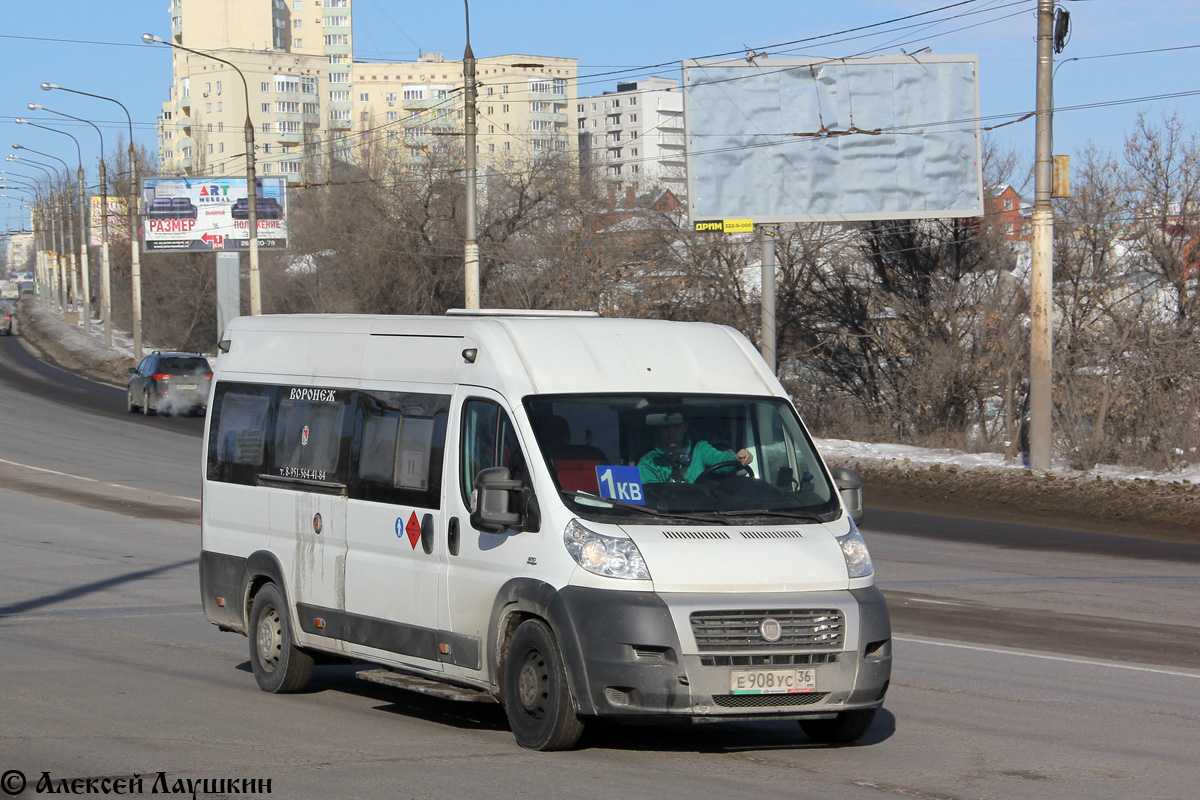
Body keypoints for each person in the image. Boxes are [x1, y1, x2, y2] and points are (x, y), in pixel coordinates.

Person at [637, 412, 753, 484]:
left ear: (685, 427)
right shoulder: (648, 461)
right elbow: (651, 497)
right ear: (658, 429)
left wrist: (737, 458)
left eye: (676, 426)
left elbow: (720, 459)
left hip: (704, 513)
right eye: (666, 427)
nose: (671, 432)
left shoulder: (700, 449)